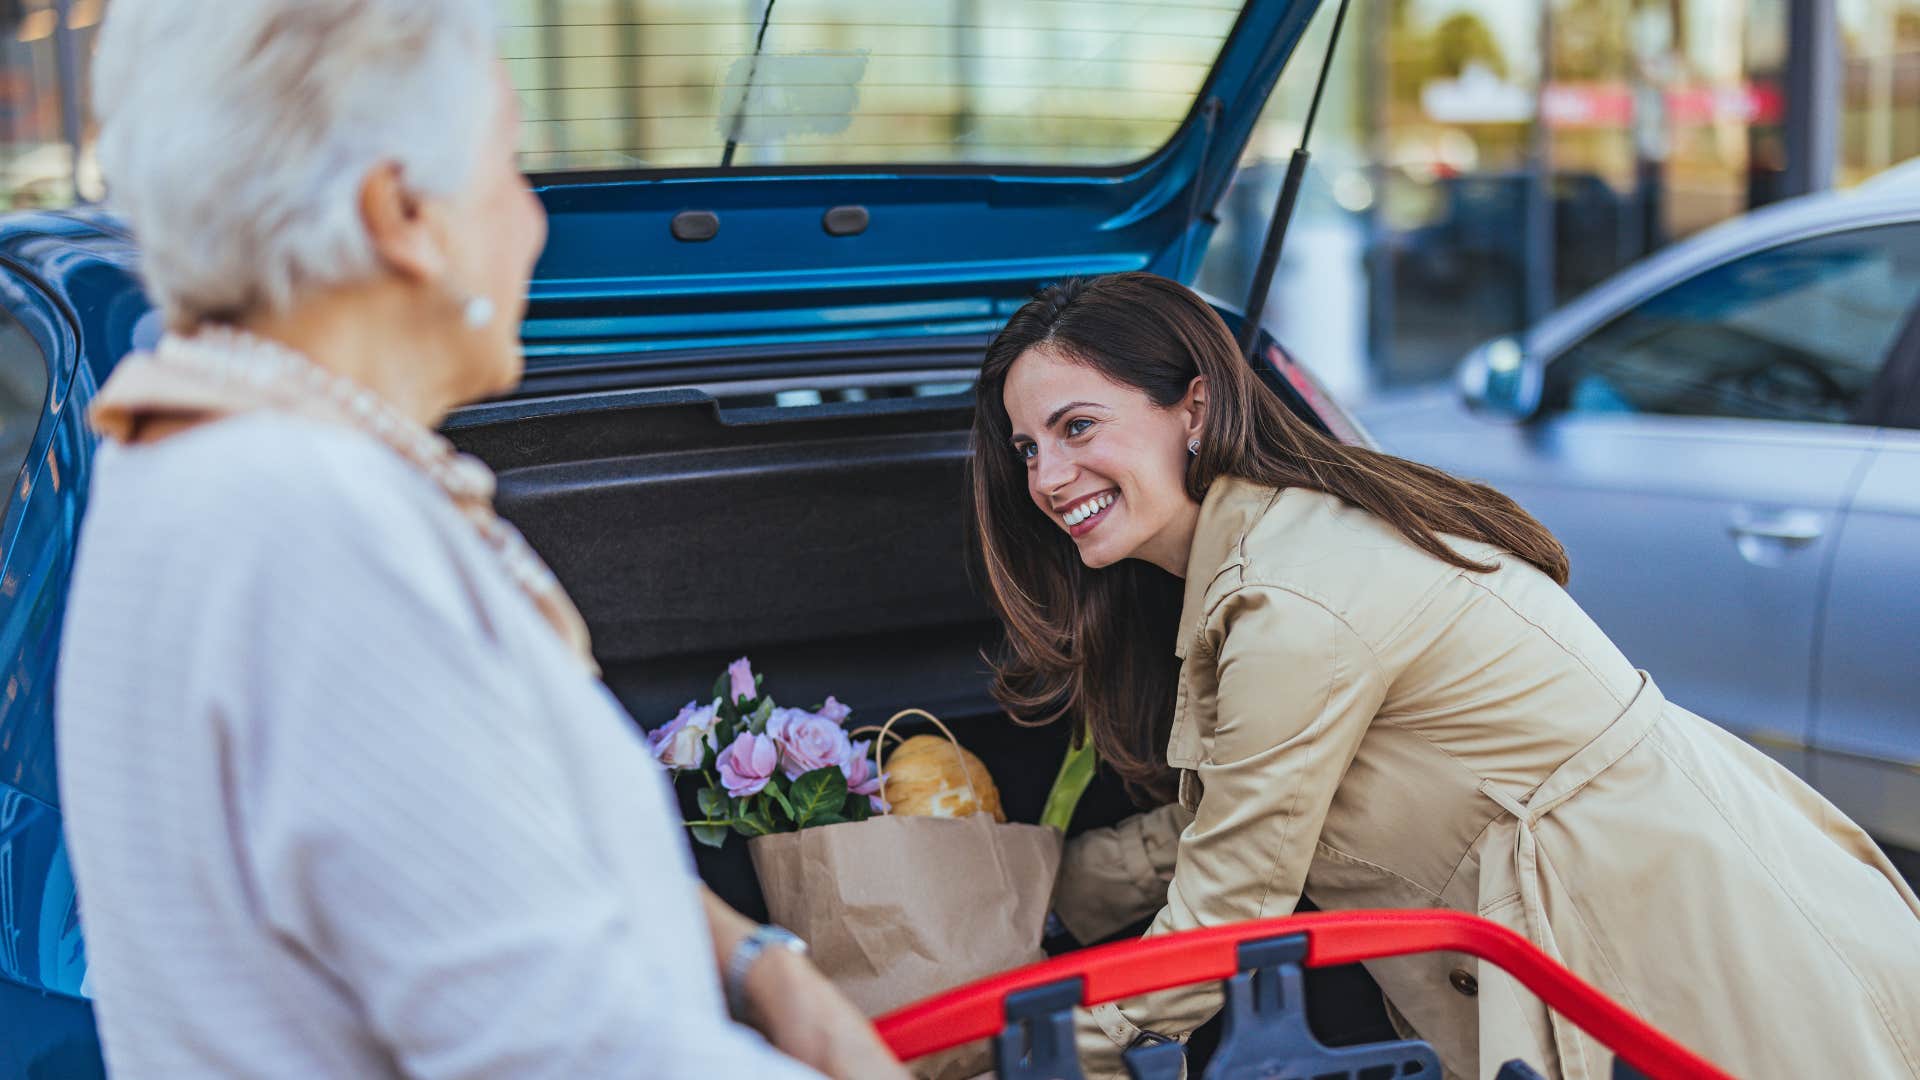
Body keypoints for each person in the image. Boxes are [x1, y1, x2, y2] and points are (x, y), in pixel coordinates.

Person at [55, 3, 905, 1077]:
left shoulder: (193, 459)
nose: (536, 222)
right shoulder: (310, 530)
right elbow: (566, 1051)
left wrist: (760, 967)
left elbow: (462, 876)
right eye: (508, 169)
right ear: (402, 212)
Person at [971, 272, 1920, 1080]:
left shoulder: (1295, 599)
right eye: (1027, 449)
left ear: (1197, 406)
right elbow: (1236, 812)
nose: (1048, 478)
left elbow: (1225, 915)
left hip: (1685, 954)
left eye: (1078, 426)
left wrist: (957, 1057)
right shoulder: (1281, 541)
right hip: (1663, 912)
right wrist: (1032, 896)